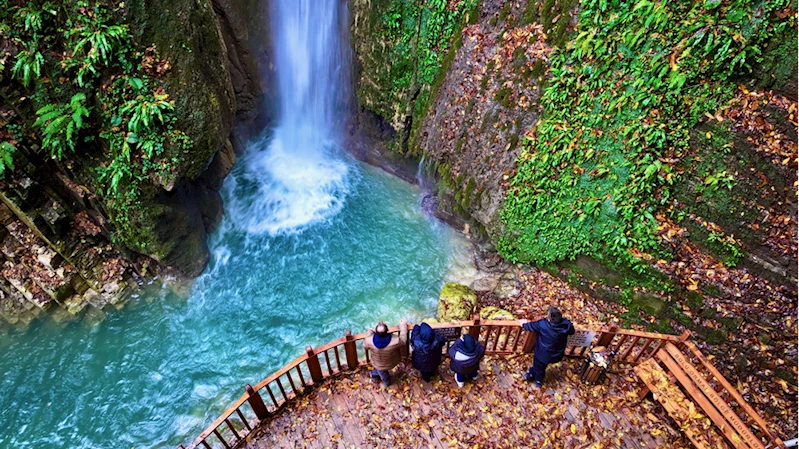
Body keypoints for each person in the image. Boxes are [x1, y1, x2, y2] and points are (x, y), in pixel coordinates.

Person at [520, 306, 575, 389]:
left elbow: (530, 326)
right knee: (541, 366)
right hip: (557, 354)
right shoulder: (566, 325)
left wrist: (522, 324)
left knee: (539, 367)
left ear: (549, 319)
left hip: (543, 354)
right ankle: (532, 374)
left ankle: (538, 380)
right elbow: (572, 331)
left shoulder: (543, 325)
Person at [363, 319, 408, 386]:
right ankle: (375, 375)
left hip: (378, 363)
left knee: (383, 373)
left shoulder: (369, 341)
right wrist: (403, 325)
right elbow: (403, 340)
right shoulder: (395, 340)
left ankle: (386, 383)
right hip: (391, 362)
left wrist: (369, 331)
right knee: (382, 372)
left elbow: (365, 346)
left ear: (375, 331)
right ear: (387, 330)